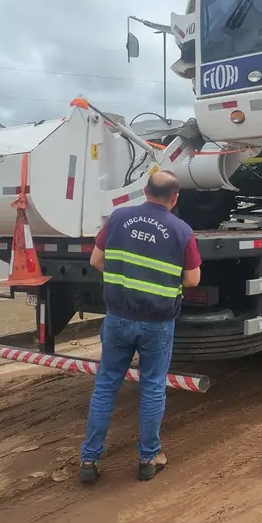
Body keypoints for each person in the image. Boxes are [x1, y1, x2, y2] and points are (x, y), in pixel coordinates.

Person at [79, 171, 202, 483]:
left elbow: (96, 260)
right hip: (158, 324)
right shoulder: (182, 230)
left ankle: (89, 460)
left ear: (145, 191)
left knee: (106, 385)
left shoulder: (119, 218)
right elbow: (192, 280)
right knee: (152, 388)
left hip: (118, 317)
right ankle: (149, 459)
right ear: (174, 198)